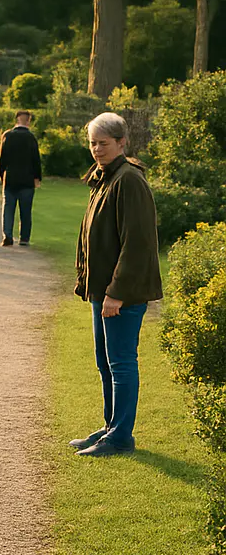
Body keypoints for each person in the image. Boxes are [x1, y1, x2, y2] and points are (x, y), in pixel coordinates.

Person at [72, 112, 162, 458]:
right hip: (103, 291)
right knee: (104, 361)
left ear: (122, 143)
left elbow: (137, 243)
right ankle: (111, 426)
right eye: (92, 143)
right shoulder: (105, 177)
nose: (96, 149)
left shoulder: (128, 180)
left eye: (103, 143)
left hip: (121, 293)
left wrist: (116, 293)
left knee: (121, 362)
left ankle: (121, 436)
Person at [0, 109, 43, 247]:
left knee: (8, 209)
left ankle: (7, 235)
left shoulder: (8, 136)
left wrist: (1, 175)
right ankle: (24, 238)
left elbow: (2, 159)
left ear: (16, 119)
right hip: (27, 180)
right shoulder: (31, 138)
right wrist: (37, 177)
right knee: (25, 211)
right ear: (28, 121)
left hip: (11, 179)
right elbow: (36, 160)